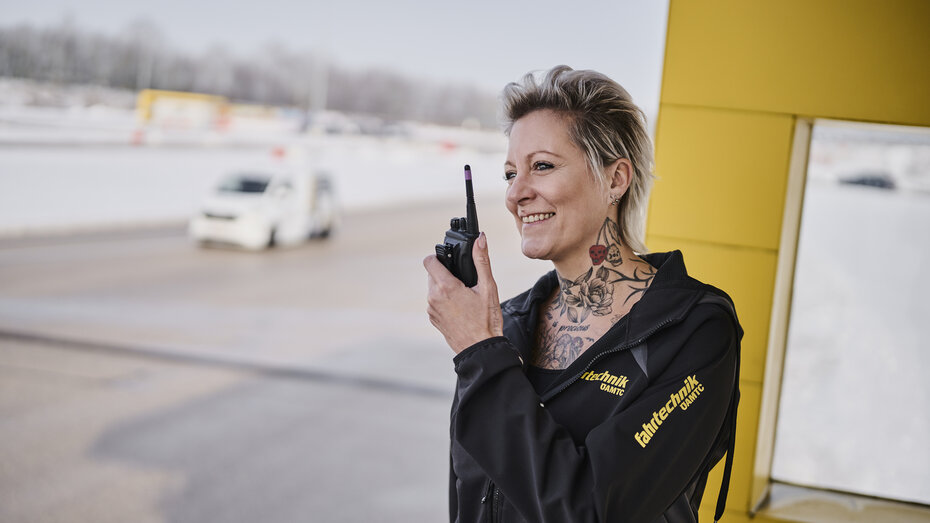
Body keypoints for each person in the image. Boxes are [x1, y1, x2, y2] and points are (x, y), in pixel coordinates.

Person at [424, 65, 742, 523]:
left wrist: (479, 352)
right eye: (510, 173)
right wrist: (484, 346)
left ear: (615, 179)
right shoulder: (506, 325)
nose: (516, 194)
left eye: (543, 166)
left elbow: (591, 511)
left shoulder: (693, 333)